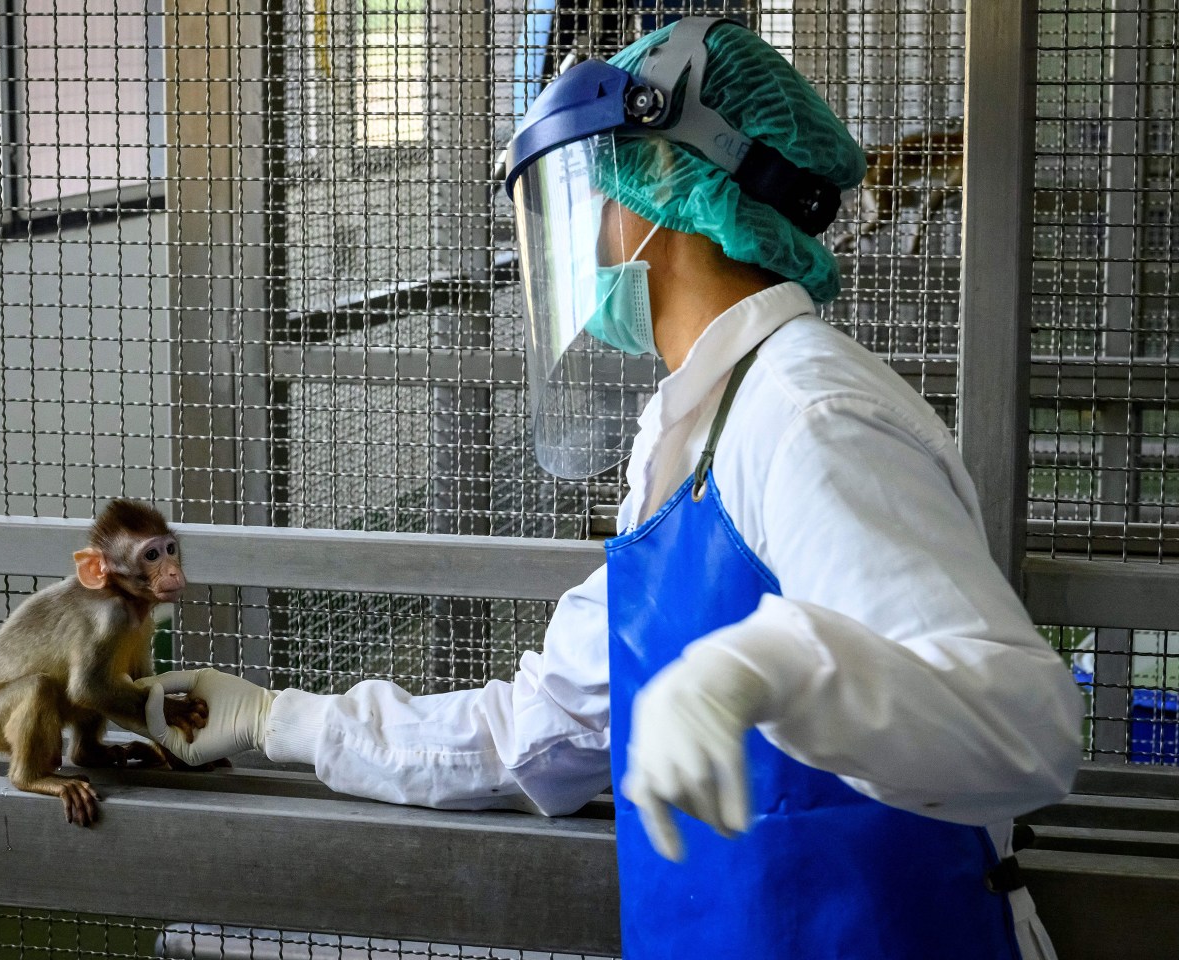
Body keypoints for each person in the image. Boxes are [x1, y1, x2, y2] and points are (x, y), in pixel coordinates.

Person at [139, 17, 1082, 960]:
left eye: (598, 191)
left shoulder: (805, 416)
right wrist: (277, 719)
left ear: (667, 184)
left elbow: (1020, 722)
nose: (589, 233)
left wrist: (769, 669)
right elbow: (545, 730)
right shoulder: (689, 432)